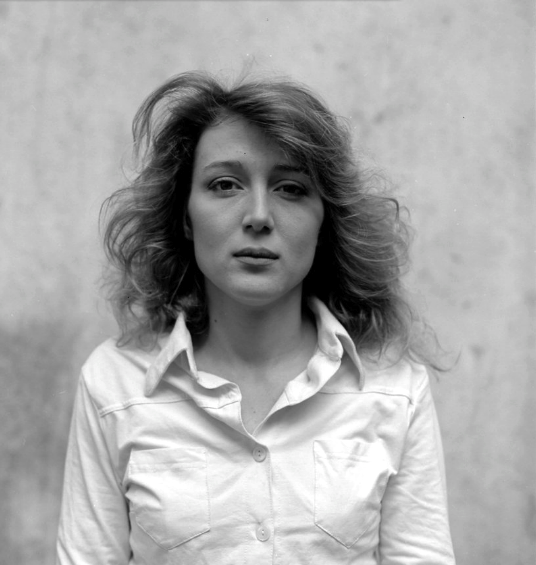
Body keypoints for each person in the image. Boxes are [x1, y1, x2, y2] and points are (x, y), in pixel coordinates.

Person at [56, 72, 455, 564]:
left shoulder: (394, 386)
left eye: (291, 188)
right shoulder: (115, 384)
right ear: (184, 216)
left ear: (325, 221)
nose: (259, 216)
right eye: (225, 185)